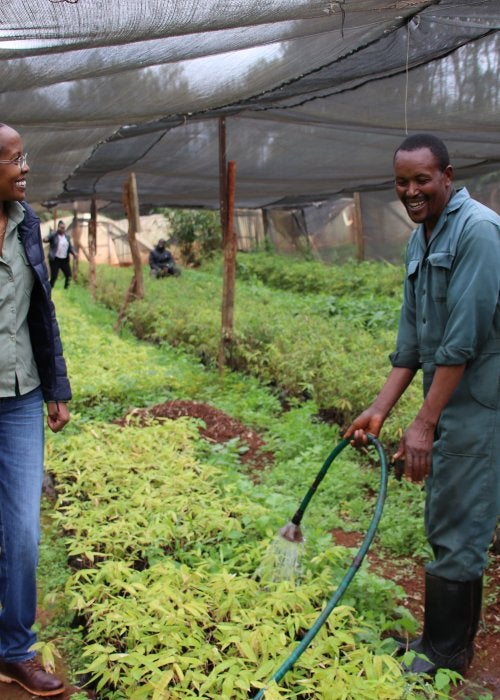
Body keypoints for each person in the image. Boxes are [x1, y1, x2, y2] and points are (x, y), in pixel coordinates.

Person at [345, 133, 500, 677]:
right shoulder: (423, 236)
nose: (411, 191)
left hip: (479, 404)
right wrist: (380, 408)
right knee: (445, 517)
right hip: (447, 398)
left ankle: (447, 654)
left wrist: (424, 420)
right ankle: (439, 642)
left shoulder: (478, 232)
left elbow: (462, 340)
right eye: (402, 182)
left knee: (460, 523)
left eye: (422, 180)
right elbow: (412, 342)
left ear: (448, 176)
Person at [0, 123, 71, 695]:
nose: (26, 169)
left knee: (22, 532)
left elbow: (41, 313)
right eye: (15, 160)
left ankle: (15, 650)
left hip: (20, 398)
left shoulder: (29, 226)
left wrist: (56, 389)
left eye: (26, 158)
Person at [43, 219, 76, 289]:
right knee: (54, 277)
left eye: (64, 228)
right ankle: (49, 289)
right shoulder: (54, 235)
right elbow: (45, 239)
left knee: (68, 275)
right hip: (55, 259)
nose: (62, 229)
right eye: (61, 228)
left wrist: (74, 253)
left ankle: (66, 289)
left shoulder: (67, 237)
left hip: (64, 259)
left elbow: (70, 247)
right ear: (58, 228)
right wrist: (48, 237)